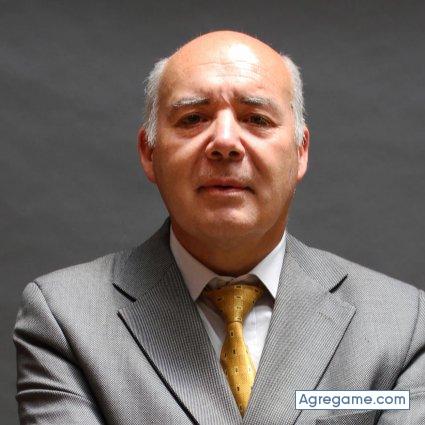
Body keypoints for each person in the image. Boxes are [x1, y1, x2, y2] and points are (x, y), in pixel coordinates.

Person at [13, 31, 424, 425]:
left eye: (256, 118)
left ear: (300, 152)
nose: (225, 142)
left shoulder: (404, 325)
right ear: (149, 152)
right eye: (193, 118)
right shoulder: (65, 318)